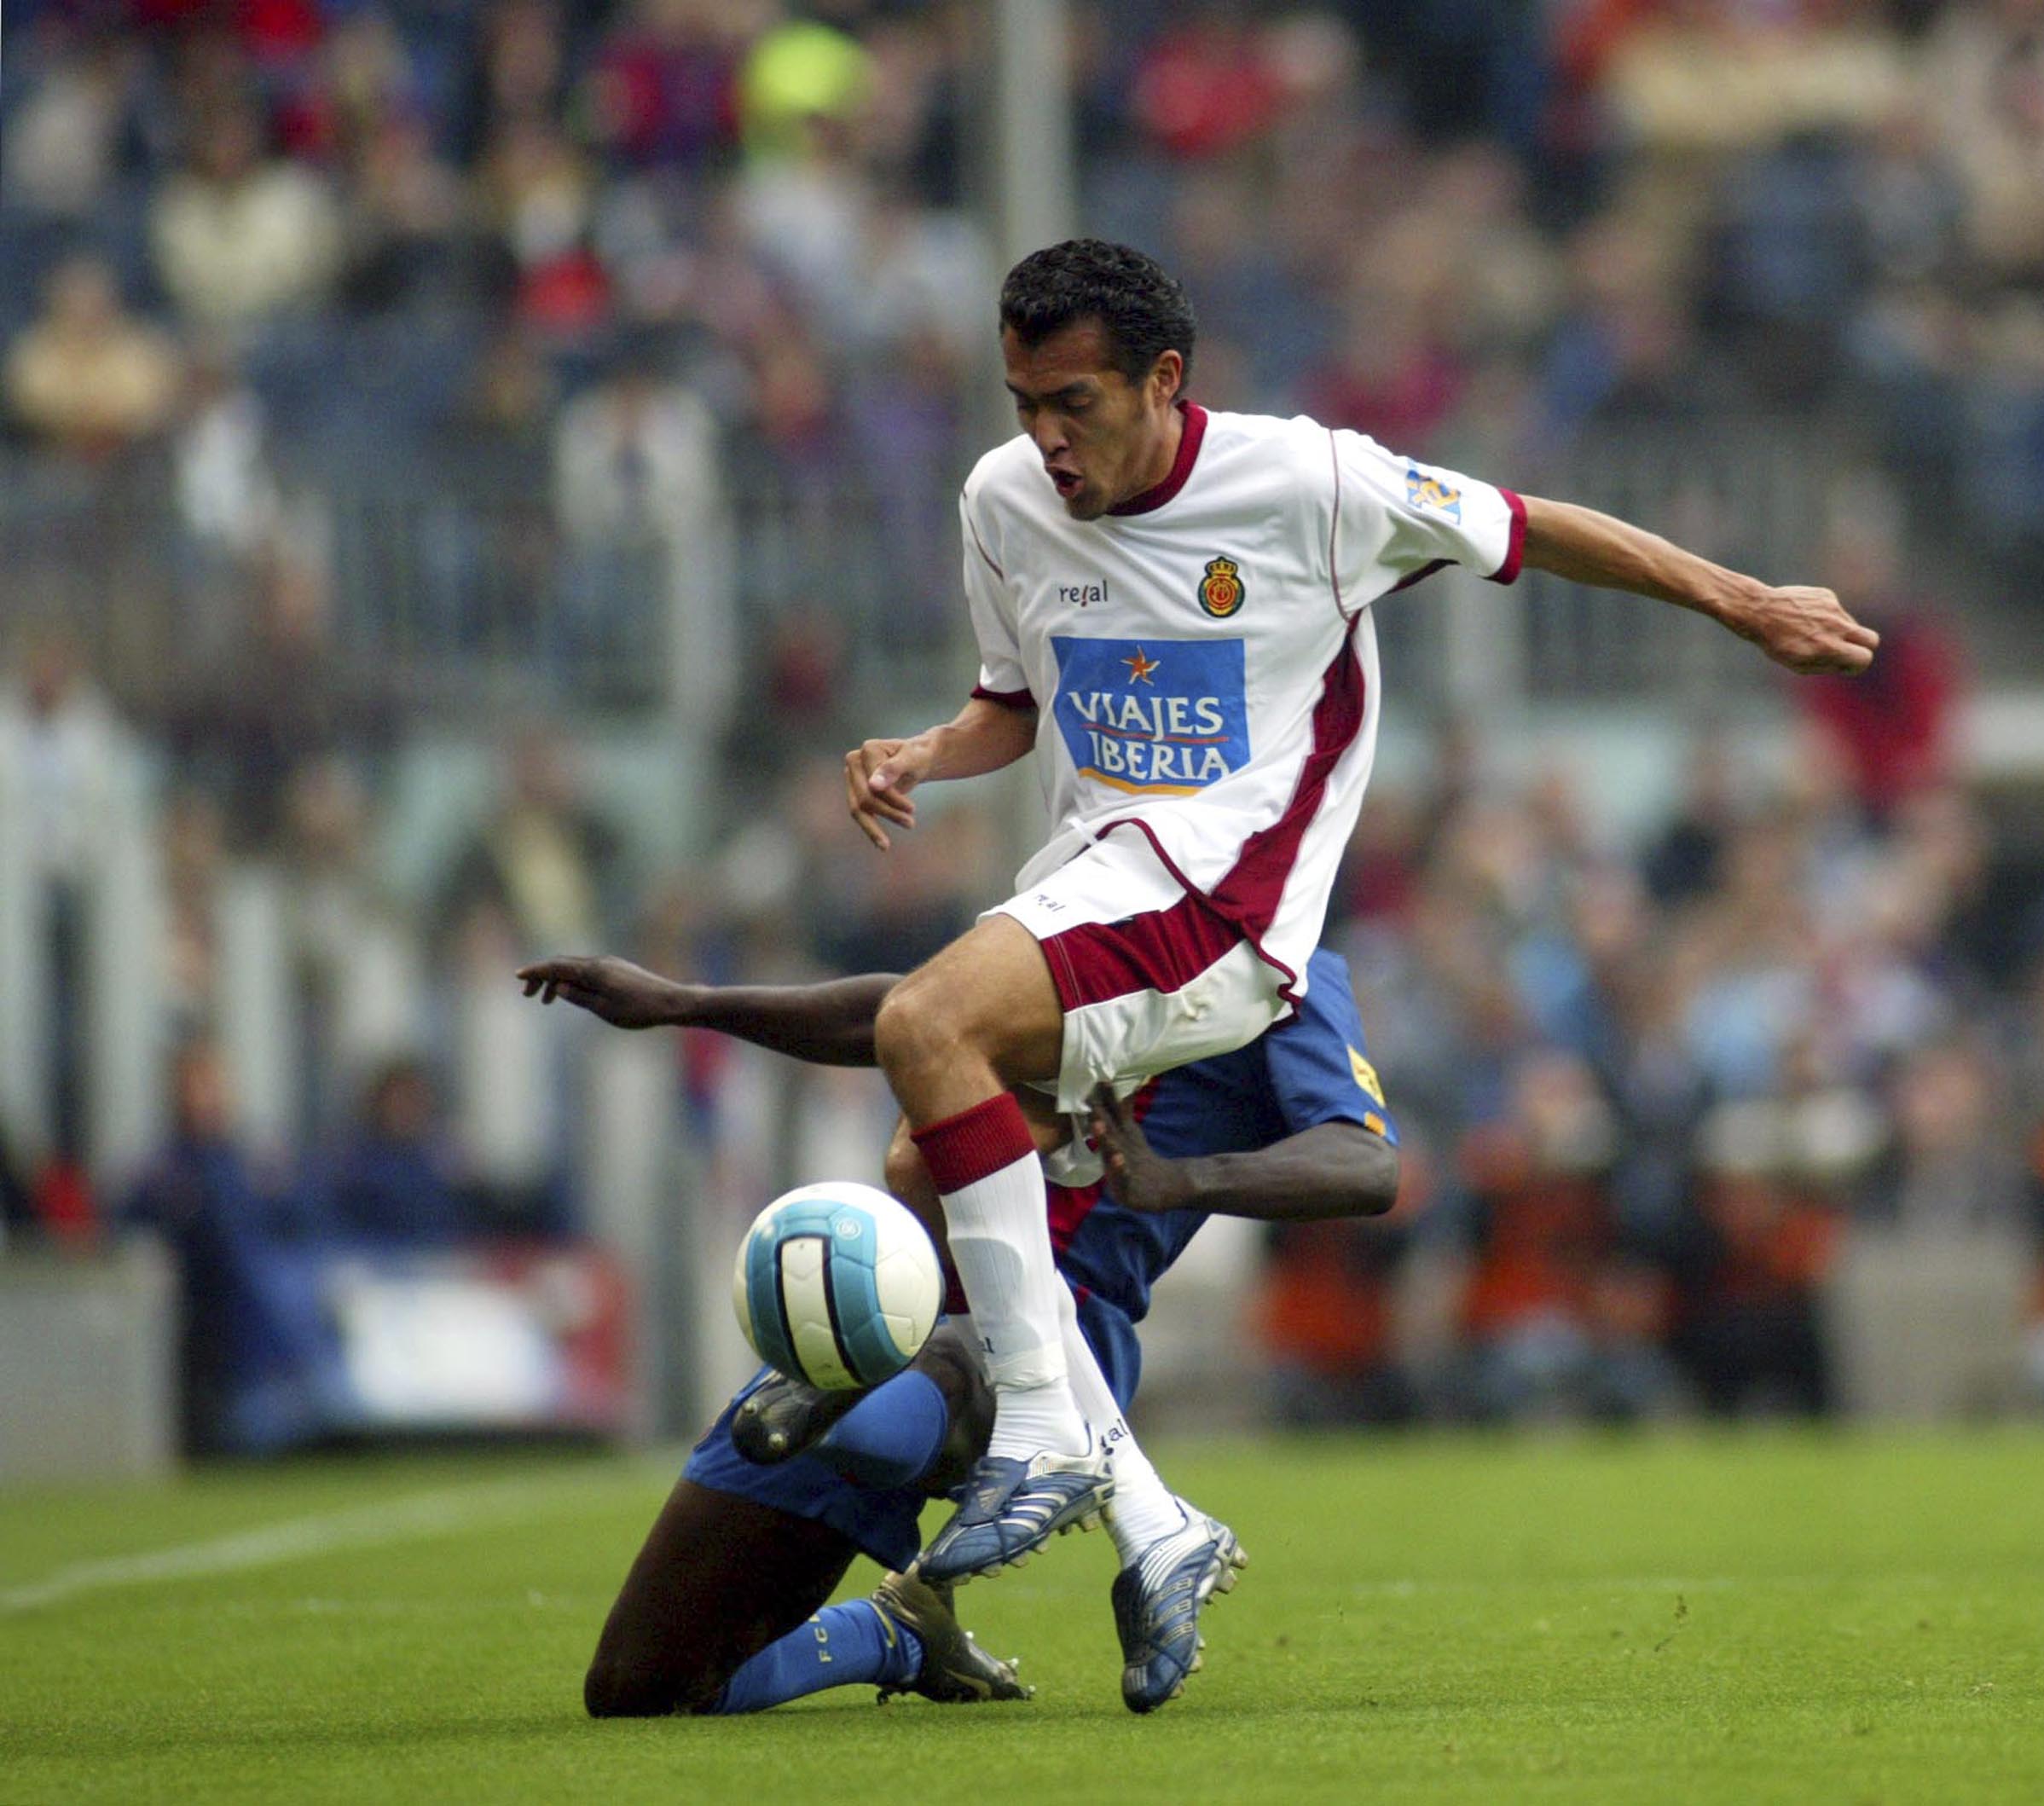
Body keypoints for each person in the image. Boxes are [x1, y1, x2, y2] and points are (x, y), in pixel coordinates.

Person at [836, 238, 1874, 1591]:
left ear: (1163, 380)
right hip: (1094, 885)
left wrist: (1741, 603)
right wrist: (925, 749)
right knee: (924, 1172)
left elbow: (1527, 523)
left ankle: (1040, 1436)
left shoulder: (1311, 481)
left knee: (924, 1020)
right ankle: (1148, 1519)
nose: (1044, 439)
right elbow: (1017, 703)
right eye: (1022, 403)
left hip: (1229, 908)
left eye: (1073, 404)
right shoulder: (1002, 499)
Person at [519, 943, 1400, 1714]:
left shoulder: (1285, 965)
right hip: (893, 1299)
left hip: (1059, 1338)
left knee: (942, 1356)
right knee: (641, 1687)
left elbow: (1364, 1163)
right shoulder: (1087, 902)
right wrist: (685, 1004)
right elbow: (908, 1013)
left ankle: (841, 1400)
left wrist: (1181, 1180)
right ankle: (894, 1633)